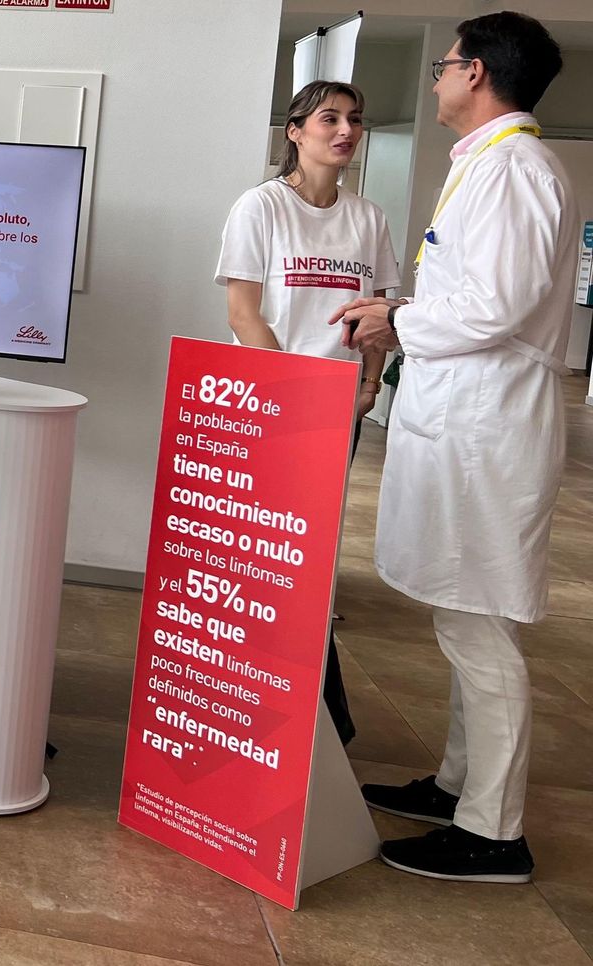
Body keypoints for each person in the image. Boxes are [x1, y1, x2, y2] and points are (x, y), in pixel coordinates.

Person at [339, 11, 574, 883]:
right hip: (470, 424)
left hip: (488, 430)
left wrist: (395, 317)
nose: (435, 79)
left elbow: (496, 307)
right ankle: (457, 783)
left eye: (442, 66)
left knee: (478, 626)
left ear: (473, 72)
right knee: (460, 616)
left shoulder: (514, 170)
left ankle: (493, 832)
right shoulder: (492, 166)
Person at [215, 79, 401, 747]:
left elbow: (380, 315)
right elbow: (244, 313)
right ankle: (307, 716)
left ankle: (315, 718)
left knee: (308, 560)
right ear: (296, 131)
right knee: (274, 562)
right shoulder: (261, 207)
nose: (345, 130)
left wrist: (370, 385)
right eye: (330, 118)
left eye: (354, 118)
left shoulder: (368, 218)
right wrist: (288, 395)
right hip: (272, 408)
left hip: (339, 412)